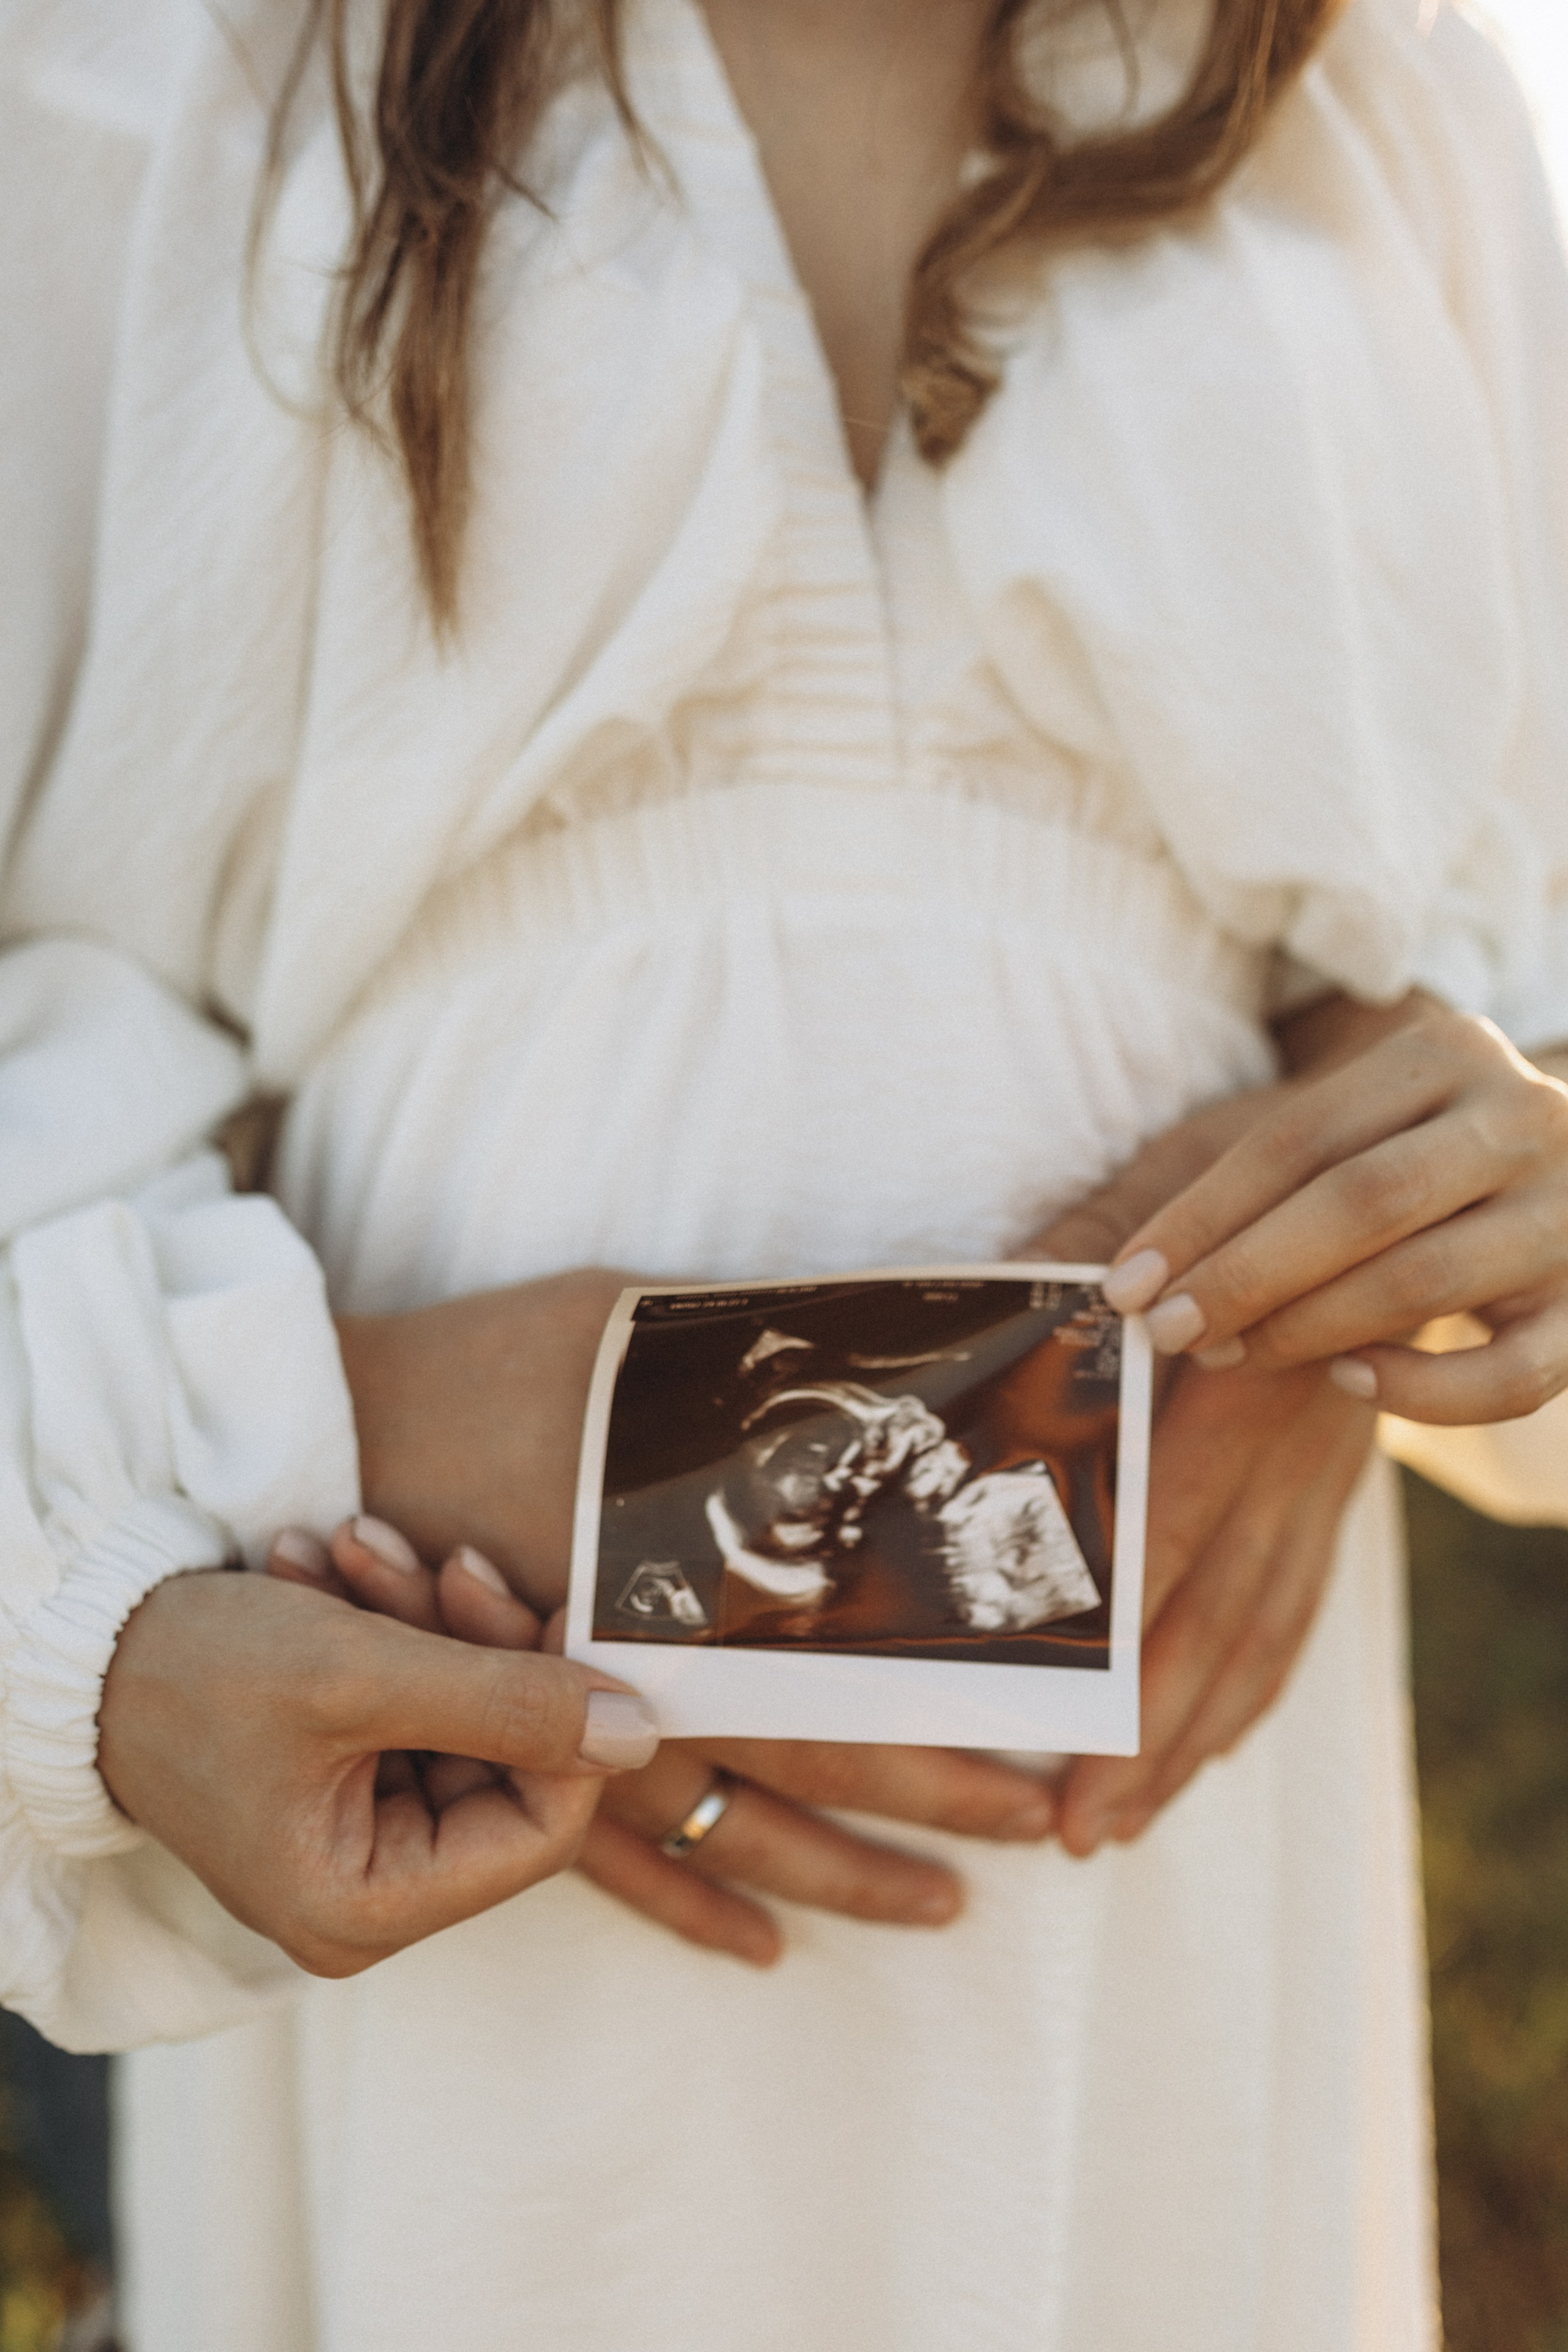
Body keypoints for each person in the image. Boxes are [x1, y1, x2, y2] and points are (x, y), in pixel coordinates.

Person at [2, 0, 1567, 2346]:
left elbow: (1507, 965)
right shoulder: (134, 64)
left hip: (1154, 1837)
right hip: (447, 1732)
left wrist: (1419, 1198)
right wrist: (218, 1529)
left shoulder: (1381, 97)